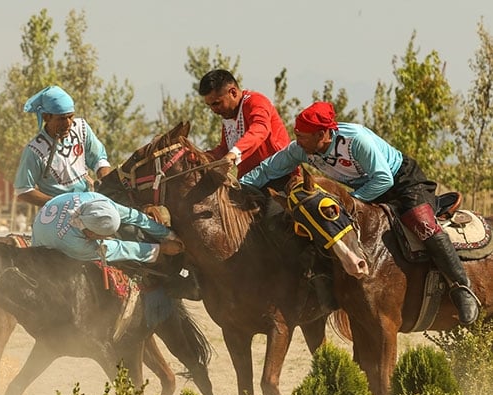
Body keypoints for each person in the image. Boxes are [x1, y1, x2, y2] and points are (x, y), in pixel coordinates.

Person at [240, 101, 480, 325]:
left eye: (302, 136)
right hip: (370, 190)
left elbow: (384, 179)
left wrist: (351, 202)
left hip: (402, 182)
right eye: (297, 135)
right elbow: (269, 169)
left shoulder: (356, 140)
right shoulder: (302, 149)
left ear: (322, 134)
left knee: (422, 224)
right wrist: (240, 186)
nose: (297, 140)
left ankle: (462, 289)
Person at [14, 85, 112, 207]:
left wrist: (107, 184)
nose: (68, 123)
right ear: (46, 117)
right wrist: (59, 204)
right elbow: (23, 190)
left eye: (71, 116)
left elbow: (99, 159)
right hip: (59, 214)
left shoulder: (81, 128)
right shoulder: (35, 150)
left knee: (133, 220)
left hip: (89, 201)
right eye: (61, 119)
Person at [198, 69, 293, 186]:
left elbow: (260, 129)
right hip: (251, 182)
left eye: (216, 103)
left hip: (281, 178)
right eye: (210, 106)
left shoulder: (256, 101)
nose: (213, 110)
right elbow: (225, 150)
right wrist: (199, 157)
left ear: (233, 92)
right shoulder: (228, 117)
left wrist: (233, 154)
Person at [32, 191, 184, 264]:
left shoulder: (98, 200)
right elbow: (118, 248)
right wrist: (161, 249)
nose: (105, 238)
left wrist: (168, 234)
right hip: (42, 241)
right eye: (101, 236)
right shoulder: (75, 243)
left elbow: (133, 215)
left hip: (51, 209)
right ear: (90, 233)